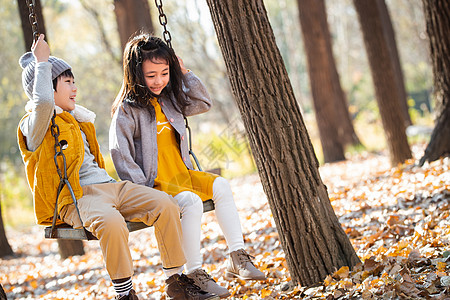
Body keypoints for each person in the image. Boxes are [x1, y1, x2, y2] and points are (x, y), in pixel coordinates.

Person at [17, 34, 219, 300]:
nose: (75, 88)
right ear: (46, 86)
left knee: (166, 204)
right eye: (67, 82)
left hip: (110, 187)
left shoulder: (78, 120)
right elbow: (42, 104)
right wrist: (41, 62)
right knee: (112, 223)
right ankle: (125, 294)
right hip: (76, 196)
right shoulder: (34, 126)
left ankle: (175, 279)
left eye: (74, 81)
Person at [109, 33, 266, 298]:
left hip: (183, 174)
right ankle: (195, 273)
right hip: (155, 185)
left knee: (222, 185)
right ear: (136, 74)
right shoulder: (127, 110)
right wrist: (144, 193)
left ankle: (237, 256)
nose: (159, 80)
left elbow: (203, 102)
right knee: (191, 203)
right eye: (151, 75)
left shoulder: (170, 99)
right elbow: (120, 155)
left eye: (164, 72)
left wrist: (185, 72)